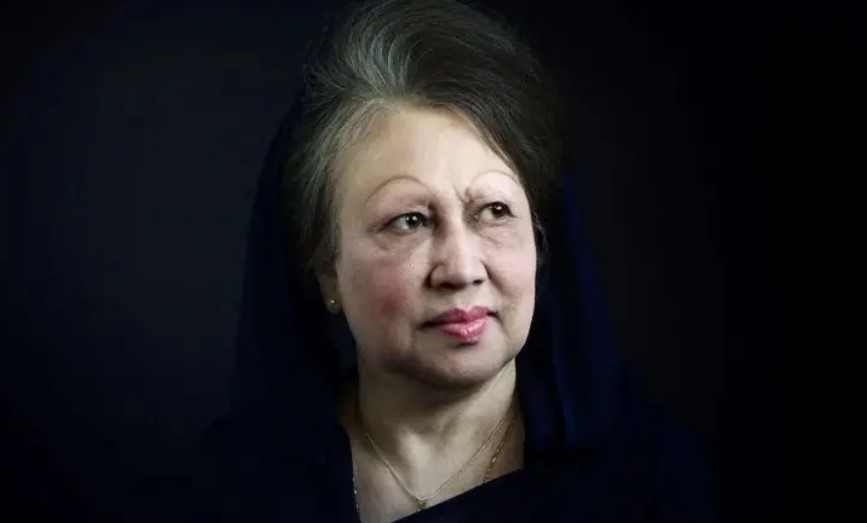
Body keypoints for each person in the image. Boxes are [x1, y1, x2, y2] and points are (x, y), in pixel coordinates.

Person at [203, 0, 716, 521]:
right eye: (410, 221)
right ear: (327, 270)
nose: (462, 270)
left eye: (494, 211)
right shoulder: (232, 495)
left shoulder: (651, 487)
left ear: (538, 240)